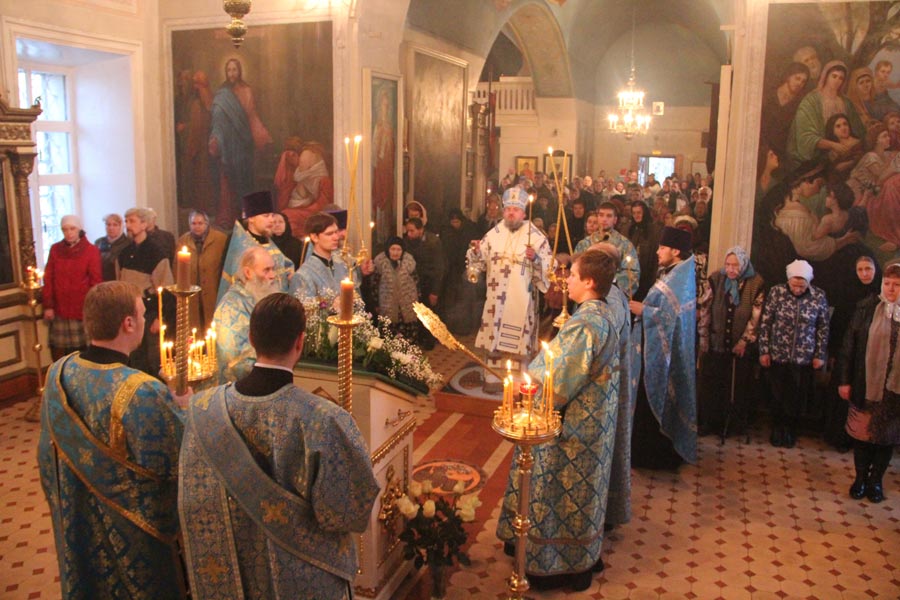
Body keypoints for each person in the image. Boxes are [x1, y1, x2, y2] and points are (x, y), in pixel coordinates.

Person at [180, 293, 379, 598]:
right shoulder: (324, 419)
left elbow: (195, 499)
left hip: (238, 572)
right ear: (300, 342)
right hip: (305, 577)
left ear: (251, 339)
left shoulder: (202, 409)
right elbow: (349, 511)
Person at [38, 281, 187, 600]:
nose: (145, 320)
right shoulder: (141, 390)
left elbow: (46, 459)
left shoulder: (57, 373)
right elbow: (180, 462)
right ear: (128, 323)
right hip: (132, 538)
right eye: (143, 314)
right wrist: (183, 410)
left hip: (78, 524)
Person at [496, 248, 620, 592]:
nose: (567, 282)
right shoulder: (604, 312)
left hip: (574, 425)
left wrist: (524, 383)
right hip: (597, 419)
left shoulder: (585, 325)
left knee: (556, 489)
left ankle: (554, 563)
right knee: (582, 492)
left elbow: (559, 380)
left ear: (589, 282)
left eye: (573, 276)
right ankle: (581, 555)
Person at [466, 186, 552, 391]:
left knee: (518, 341)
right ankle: (493, 379)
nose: (511, 213)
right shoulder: (493, 234)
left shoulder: (535, 237)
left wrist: (536, 259)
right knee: (494, 339)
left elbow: (549, 267)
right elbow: (479, 262)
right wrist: (476, 251)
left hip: (521, 299)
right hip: (495, 299)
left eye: (516, 209)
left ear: (523, 213)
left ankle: (518, 382)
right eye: (508, 209)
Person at [629, 226, 697, 470]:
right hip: (654, 346)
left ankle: (655, 457)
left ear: (676, 251)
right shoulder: (674, 272)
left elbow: (670, 318)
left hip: (664, 353)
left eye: (662, 247)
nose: (658, 252)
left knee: (656, 396)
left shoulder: (680, 278)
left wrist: (642, 310)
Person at [837, 262, 900, 504]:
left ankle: (876, 482)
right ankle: (860, 479)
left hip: (894, 392)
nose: (891, 288)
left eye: (897, 285)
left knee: (886, 439)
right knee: (862, 436)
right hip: (865, 384)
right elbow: (849, 346)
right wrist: (845, 380)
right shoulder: (867, 308)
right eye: (887, 283)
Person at [758, 259, 830, 448]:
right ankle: (776, 428)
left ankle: (790, 430)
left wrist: (819, 354)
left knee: (796, 396)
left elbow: (823, 327)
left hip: (804, 358)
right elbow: (765, 322)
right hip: (777, 354)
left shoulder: (818, 296)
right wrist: (764, 350)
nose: (797, 289)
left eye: (802, 286)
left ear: (808, 282)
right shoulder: (777, 292)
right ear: (788, 280)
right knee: (777, 395)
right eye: (794, 285)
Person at [697, 246, 765, 438]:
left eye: (735, 265)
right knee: (712, 385)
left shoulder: (755, 283)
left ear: (743, 264)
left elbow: (755, 317)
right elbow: (705, 309)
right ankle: (710, 422)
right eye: (728, 264)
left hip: (739, 347)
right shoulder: (716, 278)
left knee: (735, 386)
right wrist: (704, 338)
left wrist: (744, 341)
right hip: (715, 342)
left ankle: (733, 424)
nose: (731, 269)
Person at [824, 255, 882, 451]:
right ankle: (838, 437)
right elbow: (837, 324)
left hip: (871, 356)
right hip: (846, 354)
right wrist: (833, 352)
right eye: (860, 269)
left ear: (875, 270)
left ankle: (860, 439)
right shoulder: (847, 292)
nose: (864, 273)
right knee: (841, 396)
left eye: (868, 269)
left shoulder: (882, 294)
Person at [209, 57, 273, 227]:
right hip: (227, 144)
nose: (232, 73)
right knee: (227, 183)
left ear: (240, 71)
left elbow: (252, 116)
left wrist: (262, 135)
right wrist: (216, 138)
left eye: (234, 70)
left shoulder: (246, 91)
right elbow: (216, 119)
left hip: (243, 144)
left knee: (244, 182)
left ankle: (247, 220)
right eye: (229, 70)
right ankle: (228, 218)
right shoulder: (222, 94)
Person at [116, 207, 174, 376]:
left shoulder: (156, 253)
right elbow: (119, 283)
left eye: (132, 221)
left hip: (149, 312)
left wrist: (160, 318)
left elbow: (166, 288)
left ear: (144, 224)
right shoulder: (124, 254)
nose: (128, 225)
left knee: (153, 359)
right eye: (126, 221)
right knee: (134, 357)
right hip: (128, 312)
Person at [214, 246, 279, 383]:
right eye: (266, 270)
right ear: (248, 273)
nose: (273, 275)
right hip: (240, 387)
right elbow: (236, 360)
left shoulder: (260, 297)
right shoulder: (230, 307)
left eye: (273, 269)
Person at [42, 215, 102, 360]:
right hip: (60, 308)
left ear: (79, 229)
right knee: (60, 350)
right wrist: (48, 305)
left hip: (82, 307)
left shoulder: (91, 250)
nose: (69, 233)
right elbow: (48, 278)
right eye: (65, 229)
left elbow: (96, 281)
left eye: (72, 229)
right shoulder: (55, 249)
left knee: (84, 350)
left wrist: (93, 306)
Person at [218, 190, 294, 304]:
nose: (272, 220)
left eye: (272, 215)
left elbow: (284, 265)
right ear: (251, 218)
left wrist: (290, 273)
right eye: (266, 216)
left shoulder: (269, 242)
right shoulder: (242, 248)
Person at [290, 211, 373, 305]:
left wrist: (362, 271)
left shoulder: (344, 262)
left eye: (336, 232)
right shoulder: (303, 275)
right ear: (314, 237)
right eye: (329, 234)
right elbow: (302, 309)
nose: (336, 237)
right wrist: (331, 306)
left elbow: (356, 292)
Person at [575, 201, 640, 298]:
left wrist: (607, 285)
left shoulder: (625, 245)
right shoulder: (584, 244)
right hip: (587, 296)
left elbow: (632, 273)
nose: (604, 219)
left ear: (615, 220)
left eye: (609, 216)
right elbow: (576, 270)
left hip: (613, 297)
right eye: (601, 215)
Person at [176, 209, 227, 330]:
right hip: (192, 294)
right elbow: (177, 268)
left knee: (212, 326)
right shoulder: (183, 241)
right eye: (193, 223)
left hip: (213, 292)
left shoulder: (220, 239)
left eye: (200, 223)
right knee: (194, 327)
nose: (197, 227)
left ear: (207, 224)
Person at [276, 141, 334, 238]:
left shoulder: (324, 181)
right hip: (306, 211)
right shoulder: (303, 180)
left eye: (306, 161)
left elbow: (324, 205)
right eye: (301, 162)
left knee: (289, 216)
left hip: (316, 213)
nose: (301, 165)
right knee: (287, 216)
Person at [372, 236, 420, 341]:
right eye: (393, 249)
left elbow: (416, 283)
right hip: (387, 304)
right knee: (389, 336)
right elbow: (375, 284)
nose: (395, 252)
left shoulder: (409, 262)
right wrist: (376, 303)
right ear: (388, 249)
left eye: (398, 250)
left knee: (407, 338)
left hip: (407, 304)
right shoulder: (381, 263)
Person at [94, 213, 130, 281]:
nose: (111, 228)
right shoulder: (98, 242)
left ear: (121, 226)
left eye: (115, 225)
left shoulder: (127, 244)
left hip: (117, 281)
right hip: (99, 281)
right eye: (108, 224)